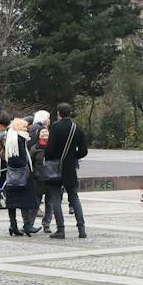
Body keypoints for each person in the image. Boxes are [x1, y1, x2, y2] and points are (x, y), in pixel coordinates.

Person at [41, 103, 90, 240]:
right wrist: (72, 157)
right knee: (74, 197)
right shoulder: (77, 128)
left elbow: (49, 150)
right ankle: (81, 229)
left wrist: (49, 157)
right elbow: (84, 151)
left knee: (56, 199)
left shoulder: (55, 127)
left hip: (55, 168)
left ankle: (60, 230)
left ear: (58, 113)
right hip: (70, 168)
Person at [0, 117, 41, 235]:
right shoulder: (18, 139)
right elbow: (18, 159)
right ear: (18, 128)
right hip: (21, 175)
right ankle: (26, 225)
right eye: (24, 127)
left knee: (12, 203)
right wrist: (26, 168)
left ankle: (14, 225)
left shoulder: (12, 138)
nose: (26, 128)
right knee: (25, 201)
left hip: (12, 175)